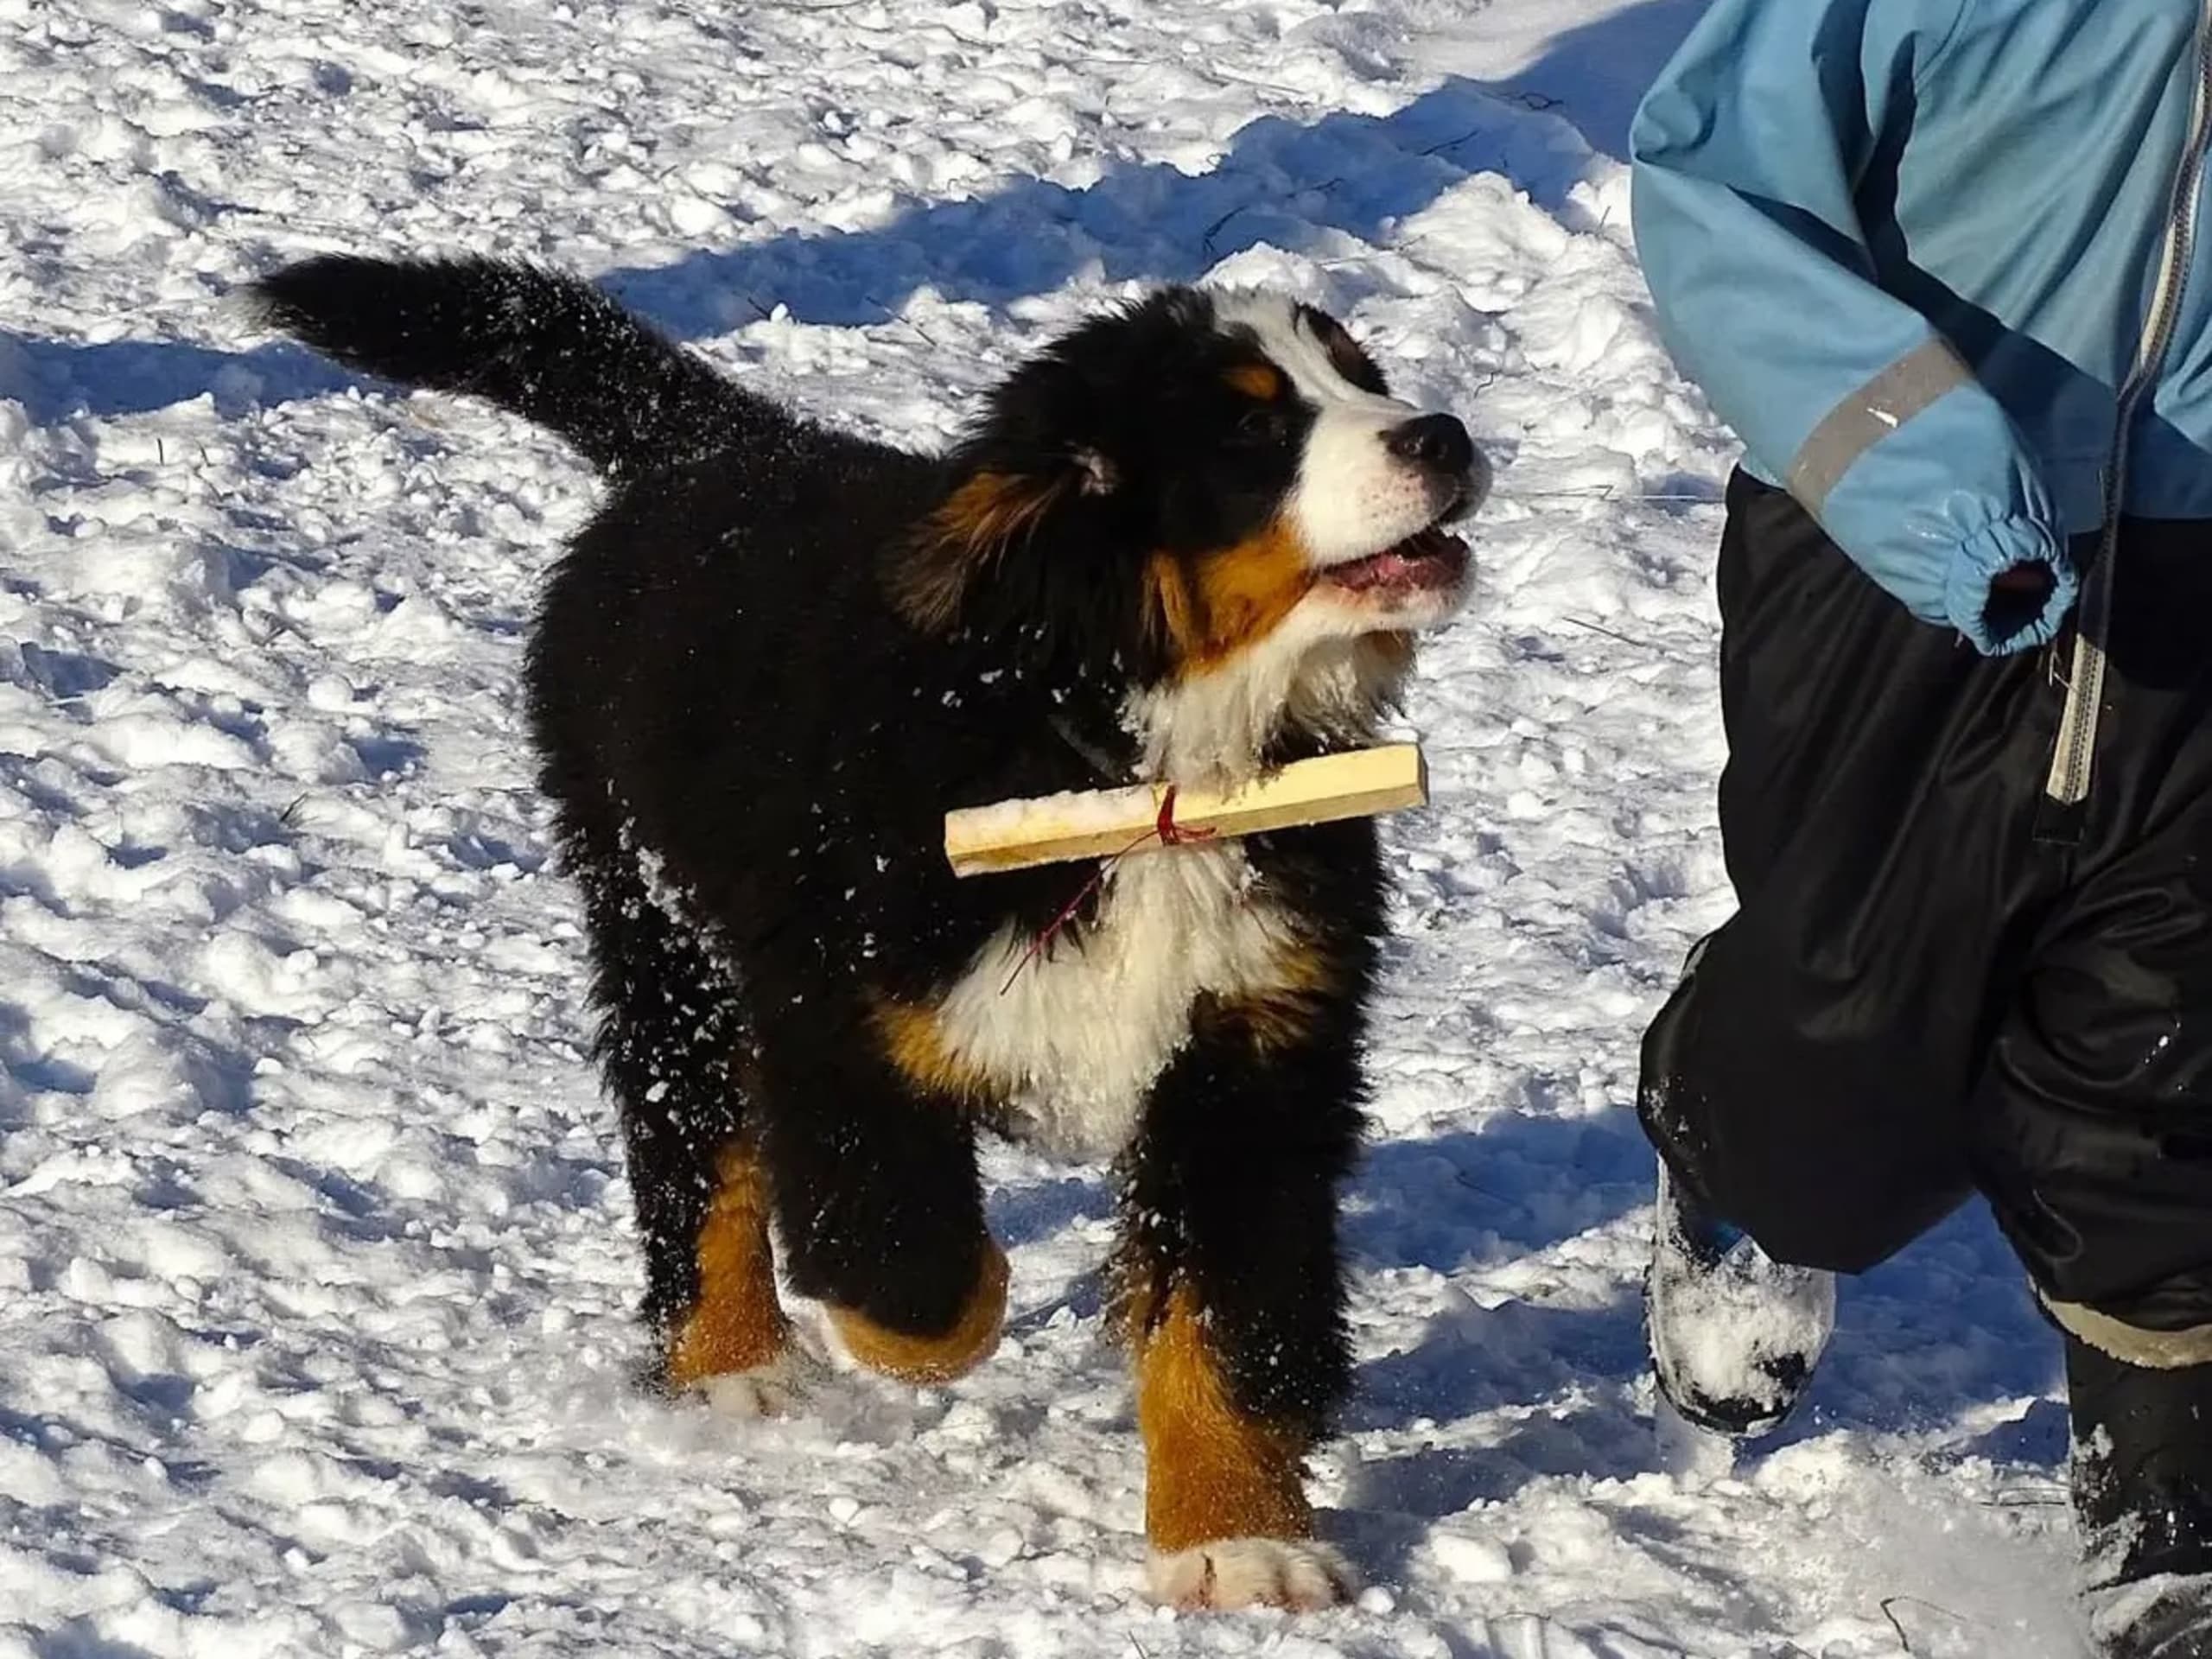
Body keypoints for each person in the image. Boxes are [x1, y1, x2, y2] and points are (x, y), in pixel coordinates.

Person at [1626, 3, 2212, 1653]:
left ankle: (2169, 1501)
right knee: (1849, 1048)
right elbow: (1717, 188)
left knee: (2168, 1041)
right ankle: (1728, 1118)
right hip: (1902, 557)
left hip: (2202, 575)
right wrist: (1933, 477)